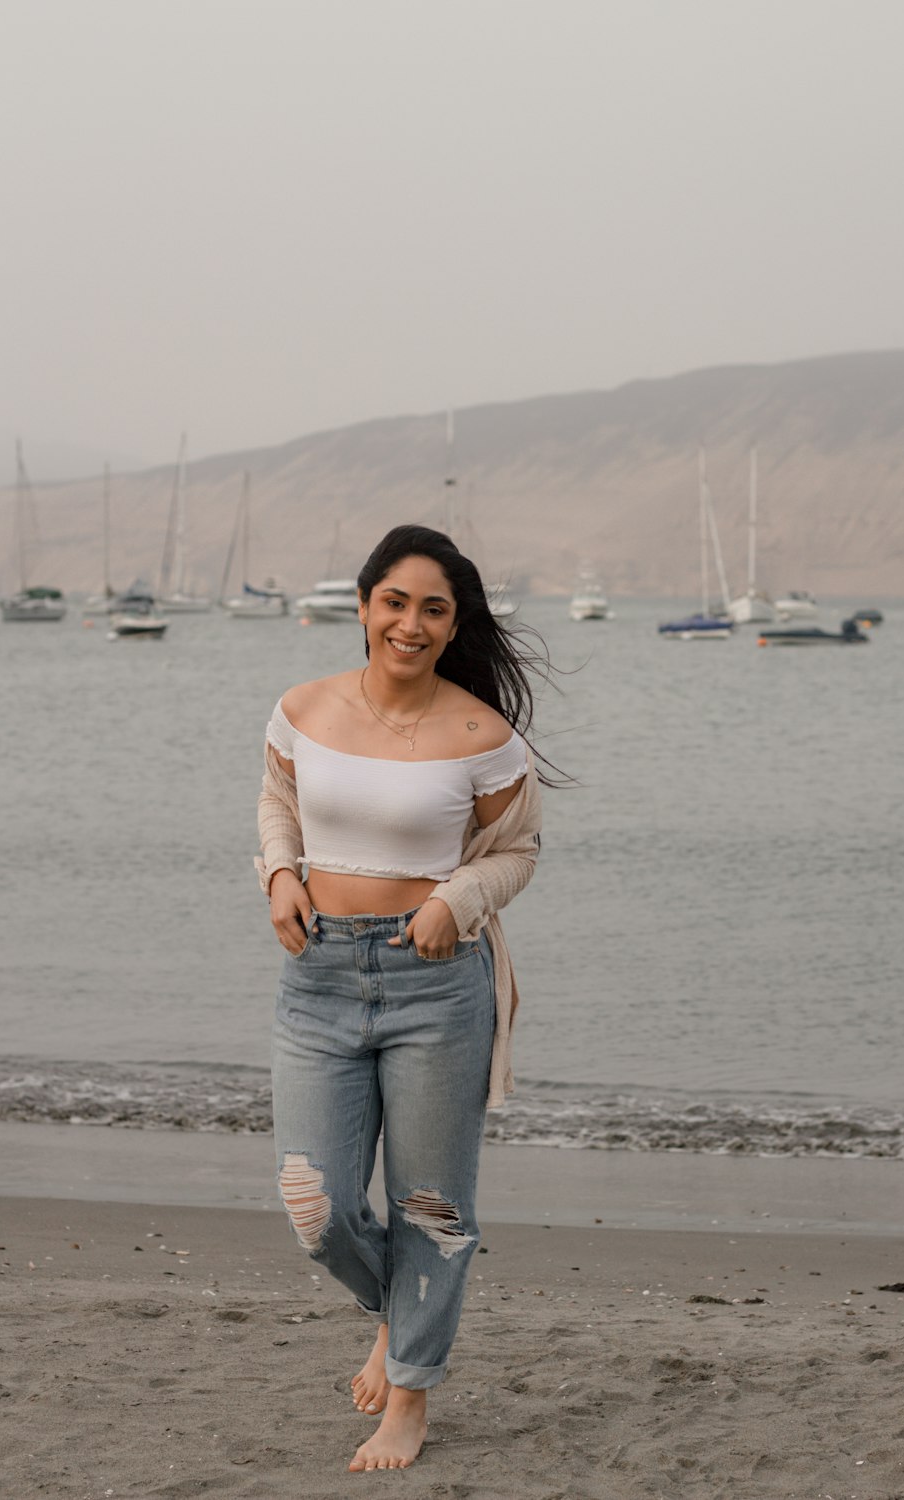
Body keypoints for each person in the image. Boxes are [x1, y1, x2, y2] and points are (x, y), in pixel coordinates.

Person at [255, 524, 555, 1472]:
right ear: (363, 606)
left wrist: (453, 899)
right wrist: (279, 875)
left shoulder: (483, 735)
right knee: (317, 1205)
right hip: (319, 978)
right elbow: (276, 802)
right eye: (395, 602)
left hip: (437, 985)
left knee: (430, 1206)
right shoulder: (302, 710)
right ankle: (398, 1309)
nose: (411, 624)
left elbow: (517, 854)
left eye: (433, 609)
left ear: (452, 622)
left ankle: (410, 1400)